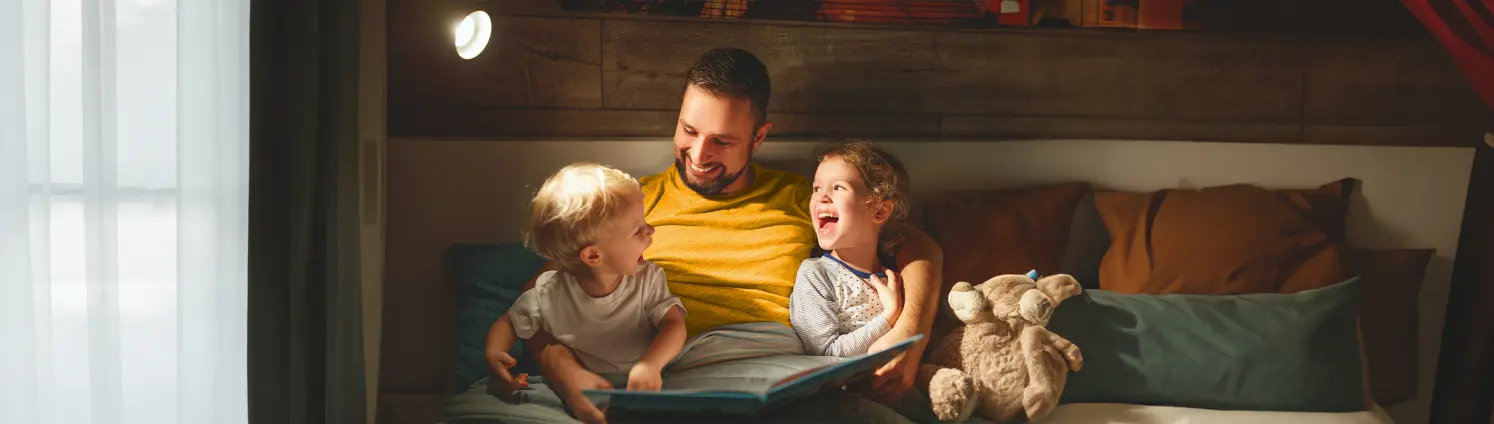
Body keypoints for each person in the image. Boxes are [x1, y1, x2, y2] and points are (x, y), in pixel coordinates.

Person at [516, 47, 945, 424]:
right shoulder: (628, 203)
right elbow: (543, 291)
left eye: (721, 141)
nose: (699, 155)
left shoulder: (805, 198)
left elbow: (917, 244)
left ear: (759, 137)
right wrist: (564, 373)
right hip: (667, 375)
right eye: (689, 130)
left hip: (782, 381)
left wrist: (909, 339)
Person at [484, 163, 688, 421]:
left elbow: (674, 324)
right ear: (593, 255)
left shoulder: (647, 280)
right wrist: (495, 354)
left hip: (646, 384)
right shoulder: (549, 291)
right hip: (584, 391)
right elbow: (508, 322)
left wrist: (650, 365)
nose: (652, 231)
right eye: (638, 230)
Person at [791, 140, 914, 358]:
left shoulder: (897, 275)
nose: (822, 196)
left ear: (880, 211)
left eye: (838, 187)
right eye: (817, 188)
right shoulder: (816, 274)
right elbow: (823, 353)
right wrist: (888, 317)